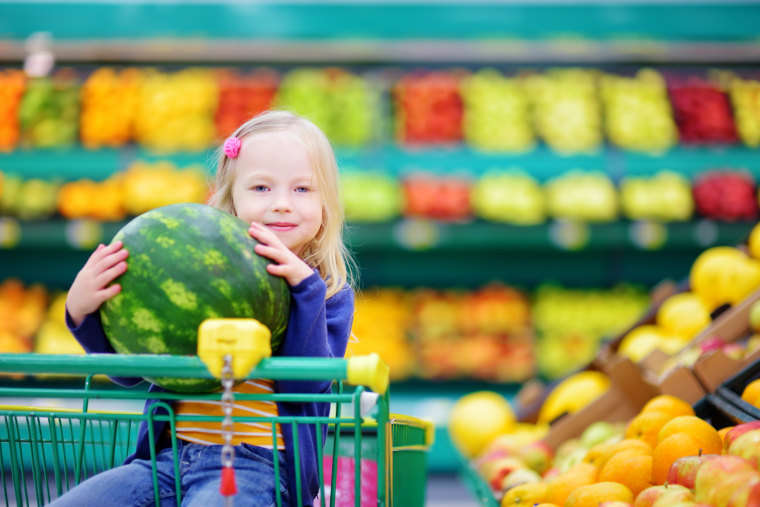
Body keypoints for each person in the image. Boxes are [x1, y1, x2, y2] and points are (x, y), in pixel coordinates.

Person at [54, 110, 356, 506]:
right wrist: (82, 313)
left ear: (326, 205)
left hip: (256, 466)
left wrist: (306, 292)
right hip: (166, 459)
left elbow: (307, 385)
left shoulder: (329, 292)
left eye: (302, 190)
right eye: (262, 188)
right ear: (230, 200)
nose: (282, 204)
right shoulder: (204, 277)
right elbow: (130, 373)